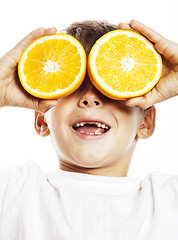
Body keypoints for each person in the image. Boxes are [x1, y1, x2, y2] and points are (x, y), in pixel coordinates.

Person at [0, 19, 177, 239]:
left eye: (110, 88)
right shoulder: (13, 191)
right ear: (42, 120)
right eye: (73, 85)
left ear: (146, 122)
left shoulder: (168, 200)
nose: (90, 98)